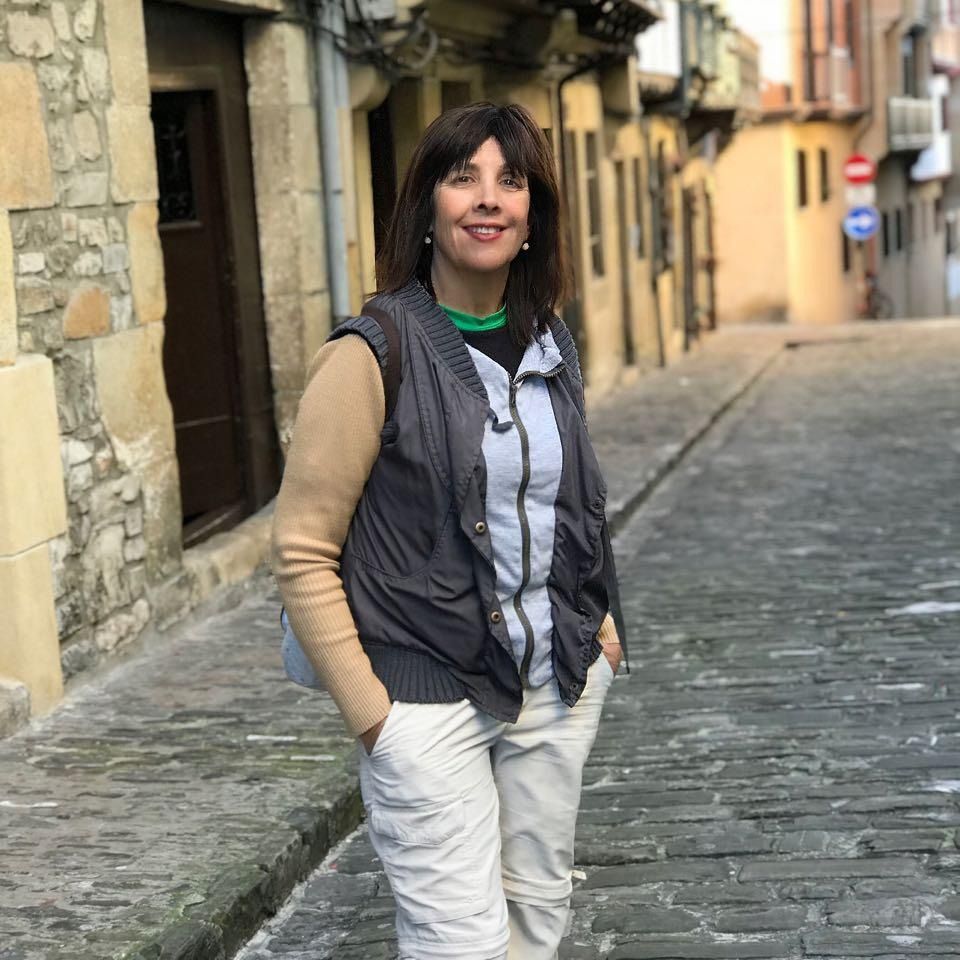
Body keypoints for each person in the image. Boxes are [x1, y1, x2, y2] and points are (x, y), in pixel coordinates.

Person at [271, 102, 625, 960]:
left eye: (511, 180)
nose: (488, 198)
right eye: (464, 178)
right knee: (459, 944)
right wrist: (376, 718)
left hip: (552, 684)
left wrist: (602, 627)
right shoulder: (370, 353)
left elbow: (568, 503)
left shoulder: (550, 341)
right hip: (425, 700)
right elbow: (302, 550)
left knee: (536, 915)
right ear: (428, 206)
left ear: (533, 215)